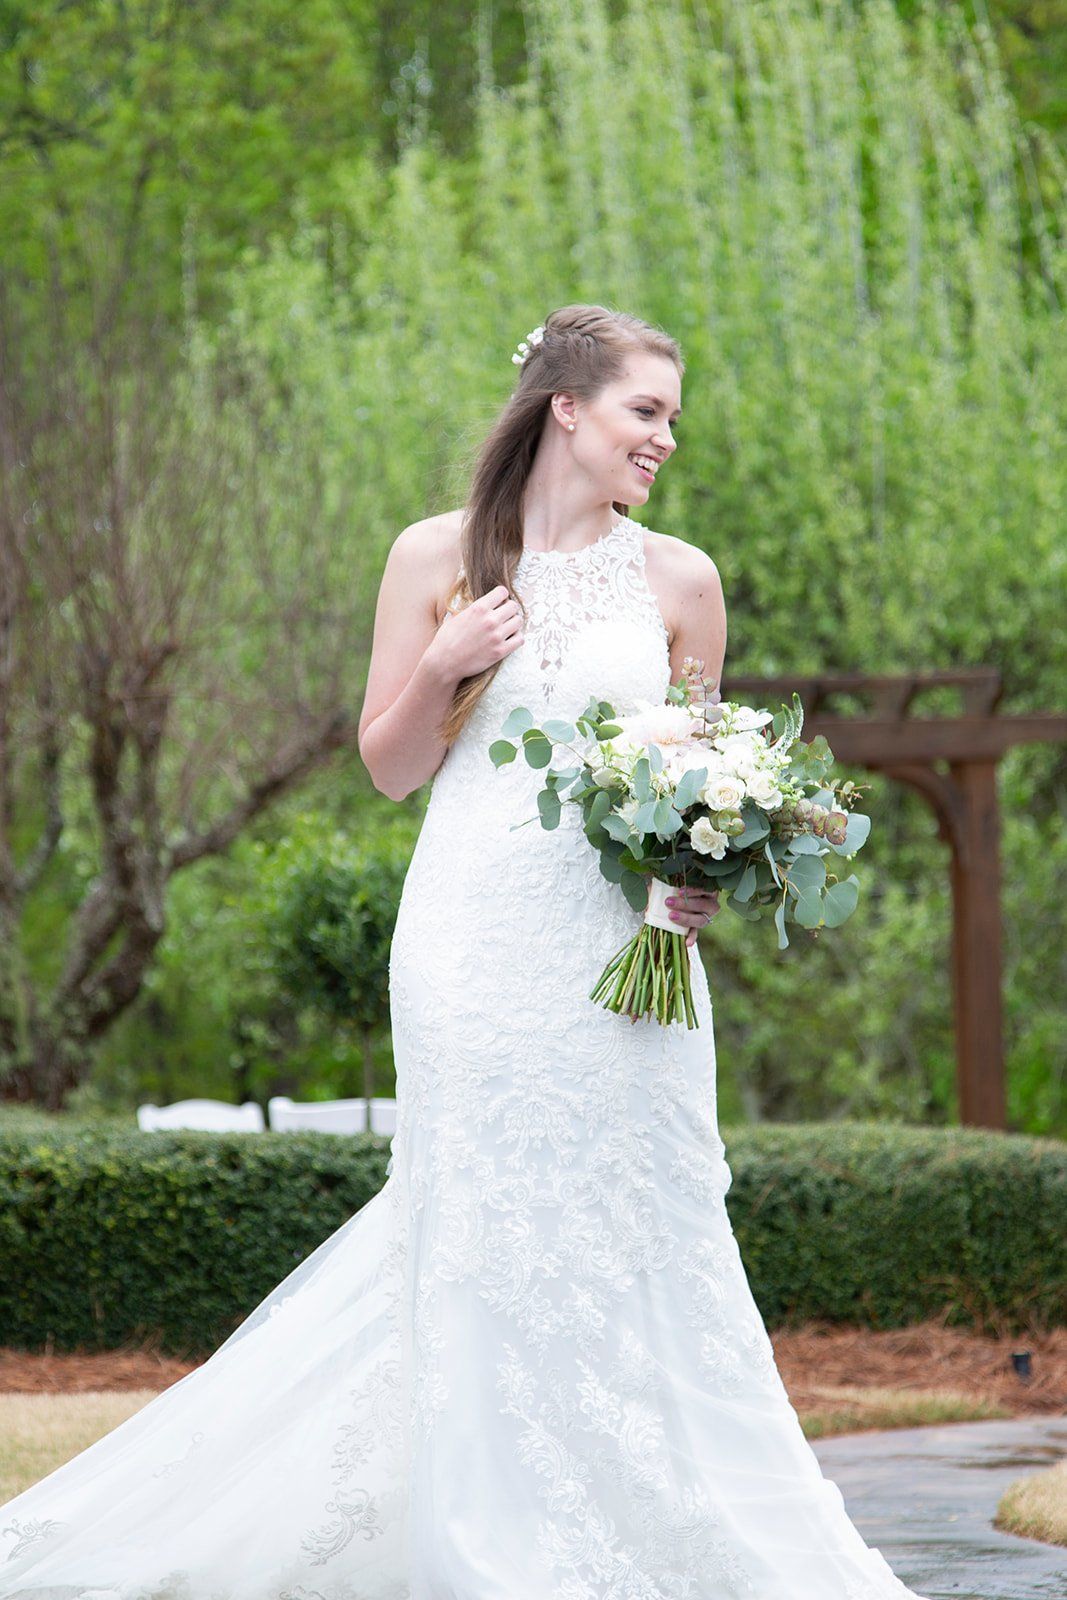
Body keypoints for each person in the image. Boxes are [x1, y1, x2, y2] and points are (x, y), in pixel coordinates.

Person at [0, 303, 930, 1599]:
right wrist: (442, 662)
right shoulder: (437, 556)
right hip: (477, 942)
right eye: (644, 412)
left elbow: (711, 769)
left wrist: (701, 872)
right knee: (486, 1226)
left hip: (632, 962)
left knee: (649, 1220)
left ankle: (679, 1530)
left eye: (671, 417)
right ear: (567, 410)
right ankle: (494, 1539)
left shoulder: (683, 581)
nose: (665, 438)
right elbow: (388, 768)